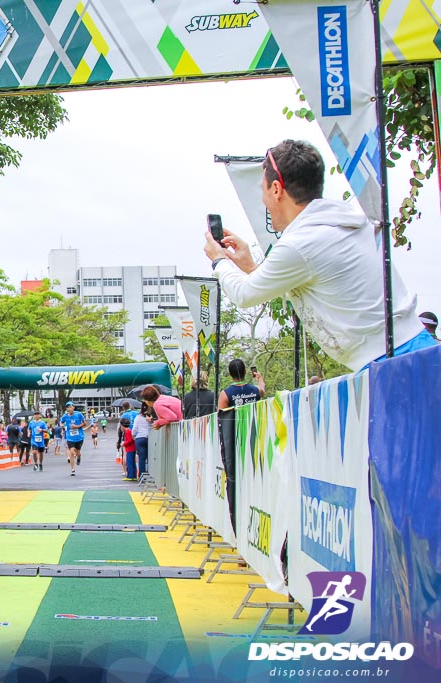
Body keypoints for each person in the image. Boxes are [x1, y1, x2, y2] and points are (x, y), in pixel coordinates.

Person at [204, 139, 431, 372]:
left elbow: (244, 294)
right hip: (414, 348)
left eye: (263, 191)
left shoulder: (302, 243)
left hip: (393, 362)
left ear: (276, 189)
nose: (264, 201)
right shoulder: (341, 220)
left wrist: (219, 260)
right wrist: (252, 268)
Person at [217, 359, 266, 534]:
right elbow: (262, 391)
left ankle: (238, 527)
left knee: (235, 483)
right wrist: (259, 379)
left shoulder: (226, 394)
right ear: (246, 372)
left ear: (230, 374)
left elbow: (221, 418)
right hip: (255, 443)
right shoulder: (254, 390)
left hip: (234, 447)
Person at [60, 401, 85, 476]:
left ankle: (79, 456)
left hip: (79, 437)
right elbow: (61, 422)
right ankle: (72, 470)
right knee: (71, 452)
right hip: (70, 437)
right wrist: (62, 426)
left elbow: (84, 423)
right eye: (67, 407)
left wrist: (76, 426)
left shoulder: (78, 414)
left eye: (70, 407)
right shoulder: (65, 416)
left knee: (78, 452)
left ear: (73, 407)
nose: (69, 408)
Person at [131, 405, 153, 478]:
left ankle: (142, 476)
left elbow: (134, 428)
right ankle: (151, 474)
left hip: (139, 438)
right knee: (150, 457)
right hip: (150, 437)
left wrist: (133, 435)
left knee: (141, 458)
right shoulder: (152, 417)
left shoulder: (138, 417)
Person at [120, 417, 137, 482]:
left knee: (129, 462)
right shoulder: (129, 430)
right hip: (132, 448)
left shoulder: (127, 431)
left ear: (122, 426)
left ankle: (130, 476)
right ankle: (134, 475)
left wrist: (124, 443)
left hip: (130, 449)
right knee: (132, 463)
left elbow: (129, 440)